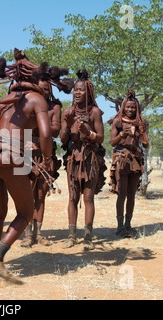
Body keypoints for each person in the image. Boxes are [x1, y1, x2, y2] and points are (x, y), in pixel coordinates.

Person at [0, 49, 71, 284]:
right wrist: (48, 159)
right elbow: (47, 134)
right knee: (26, 214)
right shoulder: (35, 99)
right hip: (11, 157)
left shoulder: (9, 100)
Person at [60, 69, 107, 250]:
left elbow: (101, 137)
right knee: (73, 196)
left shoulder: (95, 112)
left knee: (88, 197)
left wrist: (89, 134)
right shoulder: (68, 111)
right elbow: (63, 140)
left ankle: (88, 237)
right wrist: (68, 124)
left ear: (88, 92)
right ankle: (71, 236)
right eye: (75, 90)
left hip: (89, 158)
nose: (77, 93)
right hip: (73, 158)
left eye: (81, 90)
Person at [20, 80, 62, 247]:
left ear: (50, 89)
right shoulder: (26, 105)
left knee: (40, 195)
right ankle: (27, 234)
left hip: (46, 155)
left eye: (46, 88)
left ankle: (38, 233)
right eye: (39, 88)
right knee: (26, 195)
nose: (43, 91)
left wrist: (39, 121)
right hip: (26, 155)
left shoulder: (54, 107)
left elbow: (56, 130)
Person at [109, 89, 149, 238]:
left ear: (137, 108)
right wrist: (122, 134)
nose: (131, 109)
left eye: (133, 107)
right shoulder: (117, 121)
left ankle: (128, 225)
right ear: (123, 107)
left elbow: (145, 144)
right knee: (122, 193)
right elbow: (112, 142)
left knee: (132, 194)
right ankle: (119, 227)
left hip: (136, 160)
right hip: (122, 158)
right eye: (128, 107)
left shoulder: (141, 122)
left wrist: (142, 131)